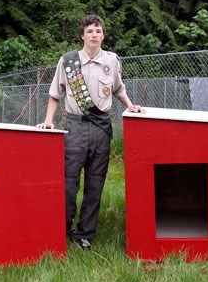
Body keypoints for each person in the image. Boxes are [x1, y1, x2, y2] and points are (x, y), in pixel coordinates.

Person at [36, 14, 144, 250]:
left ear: (103, 35)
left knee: (95, 183)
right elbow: (56, 93)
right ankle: (63, 228)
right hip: (74, 126)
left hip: (101, 128)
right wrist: (48, 121)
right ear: (82, 35)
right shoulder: (68, 61)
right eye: (90, 31)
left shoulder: (113, 61)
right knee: (69, 182)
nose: (95, 35)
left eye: (98, 31)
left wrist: (130, 105)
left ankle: (85, 233)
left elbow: (118, 89)